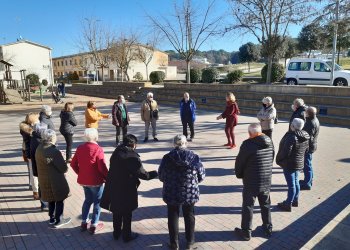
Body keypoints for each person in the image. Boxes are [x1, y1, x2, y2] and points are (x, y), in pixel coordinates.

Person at [100, 134, 158, 242]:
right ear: (133, 144)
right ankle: (127, 236)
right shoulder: (131, 157)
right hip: (126, 188)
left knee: (116, 210)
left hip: (114, 185)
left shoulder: (117, 151)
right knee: (127, 212)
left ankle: (116, 233)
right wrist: (155, 173)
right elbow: (143, 174)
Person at [158, 135, 205, 250]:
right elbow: (201, 175)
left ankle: (174, 244)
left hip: (172, 191)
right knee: (189, 215)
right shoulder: (194, 157)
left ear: (174, 144)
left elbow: (161, 175)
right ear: (185, 143)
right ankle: (190, 242)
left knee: (173, 215)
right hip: (190, 192)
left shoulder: (167, 158)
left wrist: (168, 181)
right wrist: (192, 182)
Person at [234, 123, 274, 241]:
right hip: (266, 179)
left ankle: (246, 232)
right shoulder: (269, 141)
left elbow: (240, 162)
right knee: (266, 204)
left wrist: (239, 174)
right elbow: (271, 157)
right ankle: (268, 228)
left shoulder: (247, 144)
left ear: (250, 133)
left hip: (251, 181)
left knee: (248, 206)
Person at [71, 128, 108, 234]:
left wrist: (80, 173)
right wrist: (108, 177)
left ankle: (84, 222)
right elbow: (102, 167)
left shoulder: (80, 148)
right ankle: (94, 224)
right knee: (97, 202)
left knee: (87, 200)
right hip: (95, 181)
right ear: (96, 137)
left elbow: (73, 164)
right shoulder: (98, 149)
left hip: (84, 181)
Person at [35, 129, 71, 228]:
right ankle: (59, 220)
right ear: (51, 138)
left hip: (44, 179)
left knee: (50, 198)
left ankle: (52, 218)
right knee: (59, 199)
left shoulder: (39, 148)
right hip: (55, 180)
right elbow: (64, 168)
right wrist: (62, 157)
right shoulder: (54, 151)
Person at [276, 118, 310, 212]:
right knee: (295, 182)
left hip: (289, 164)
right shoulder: (306, 135)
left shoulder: (292, 137)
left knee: (291, 185)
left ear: (293, 126)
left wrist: (279, 160)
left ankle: (288, 203)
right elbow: (306, 150)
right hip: (298, 163)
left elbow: (285, 152)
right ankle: (295, 200)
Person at [300, 107, 320, 190]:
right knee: (308, 164)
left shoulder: (310, 123)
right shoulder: (315, 119)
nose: (304, 113)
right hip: (312, 146)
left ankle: (307, 183)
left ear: (308, 113)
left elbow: (307, 137)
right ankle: (308, 180)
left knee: (307, 165)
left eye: (305, 112)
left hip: (308, 147)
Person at [30, 122, 48, 210]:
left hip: (37, 166)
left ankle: (44, 203)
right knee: (44, 185)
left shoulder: (34, 138)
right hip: (41, 167)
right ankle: (45, 204)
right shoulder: (40, 141)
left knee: (42, 185)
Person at [19, 112, 39, 190]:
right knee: (32, 168)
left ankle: (31, 184)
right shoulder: (29, 130)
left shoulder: (24, 128)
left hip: (26, 149)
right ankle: (33, 186)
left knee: (30, 168)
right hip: (30, 151)